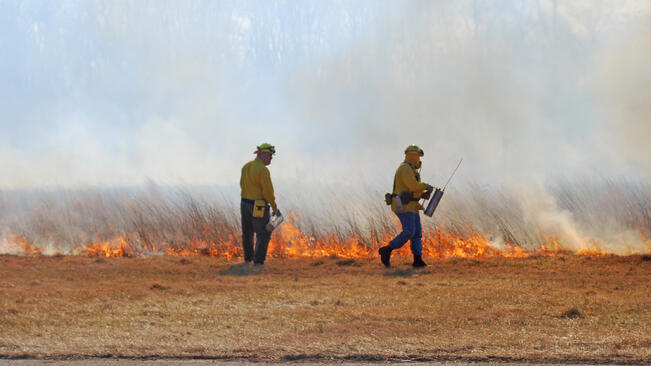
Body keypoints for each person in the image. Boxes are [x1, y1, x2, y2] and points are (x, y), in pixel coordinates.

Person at [378, 144, 433, 268]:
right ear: (413, 156)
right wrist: (425, 186)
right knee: (409, 231)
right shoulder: (405, 169)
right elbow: (413, 185)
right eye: (418, 157)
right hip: (403, 206)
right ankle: (386, 250)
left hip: (411, 206)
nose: (419, 160)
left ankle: (417, 260)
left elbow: (412, 189)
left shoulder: (411, 170)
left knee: (417, 233)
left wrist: (423, 194)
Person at [240, 143, 280, 265]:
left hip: (244, 203)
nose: (271, 158)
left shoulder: (246, 166)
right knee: (263, 233)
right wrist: (274, 207)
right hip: (258, 205)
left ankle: (248, 258)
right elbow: (267, 191)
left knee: (247, 232)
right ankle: (258, 261)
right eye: (270, 156)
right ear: (263, 154)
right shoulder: (263, 170)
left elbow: (242, 183)